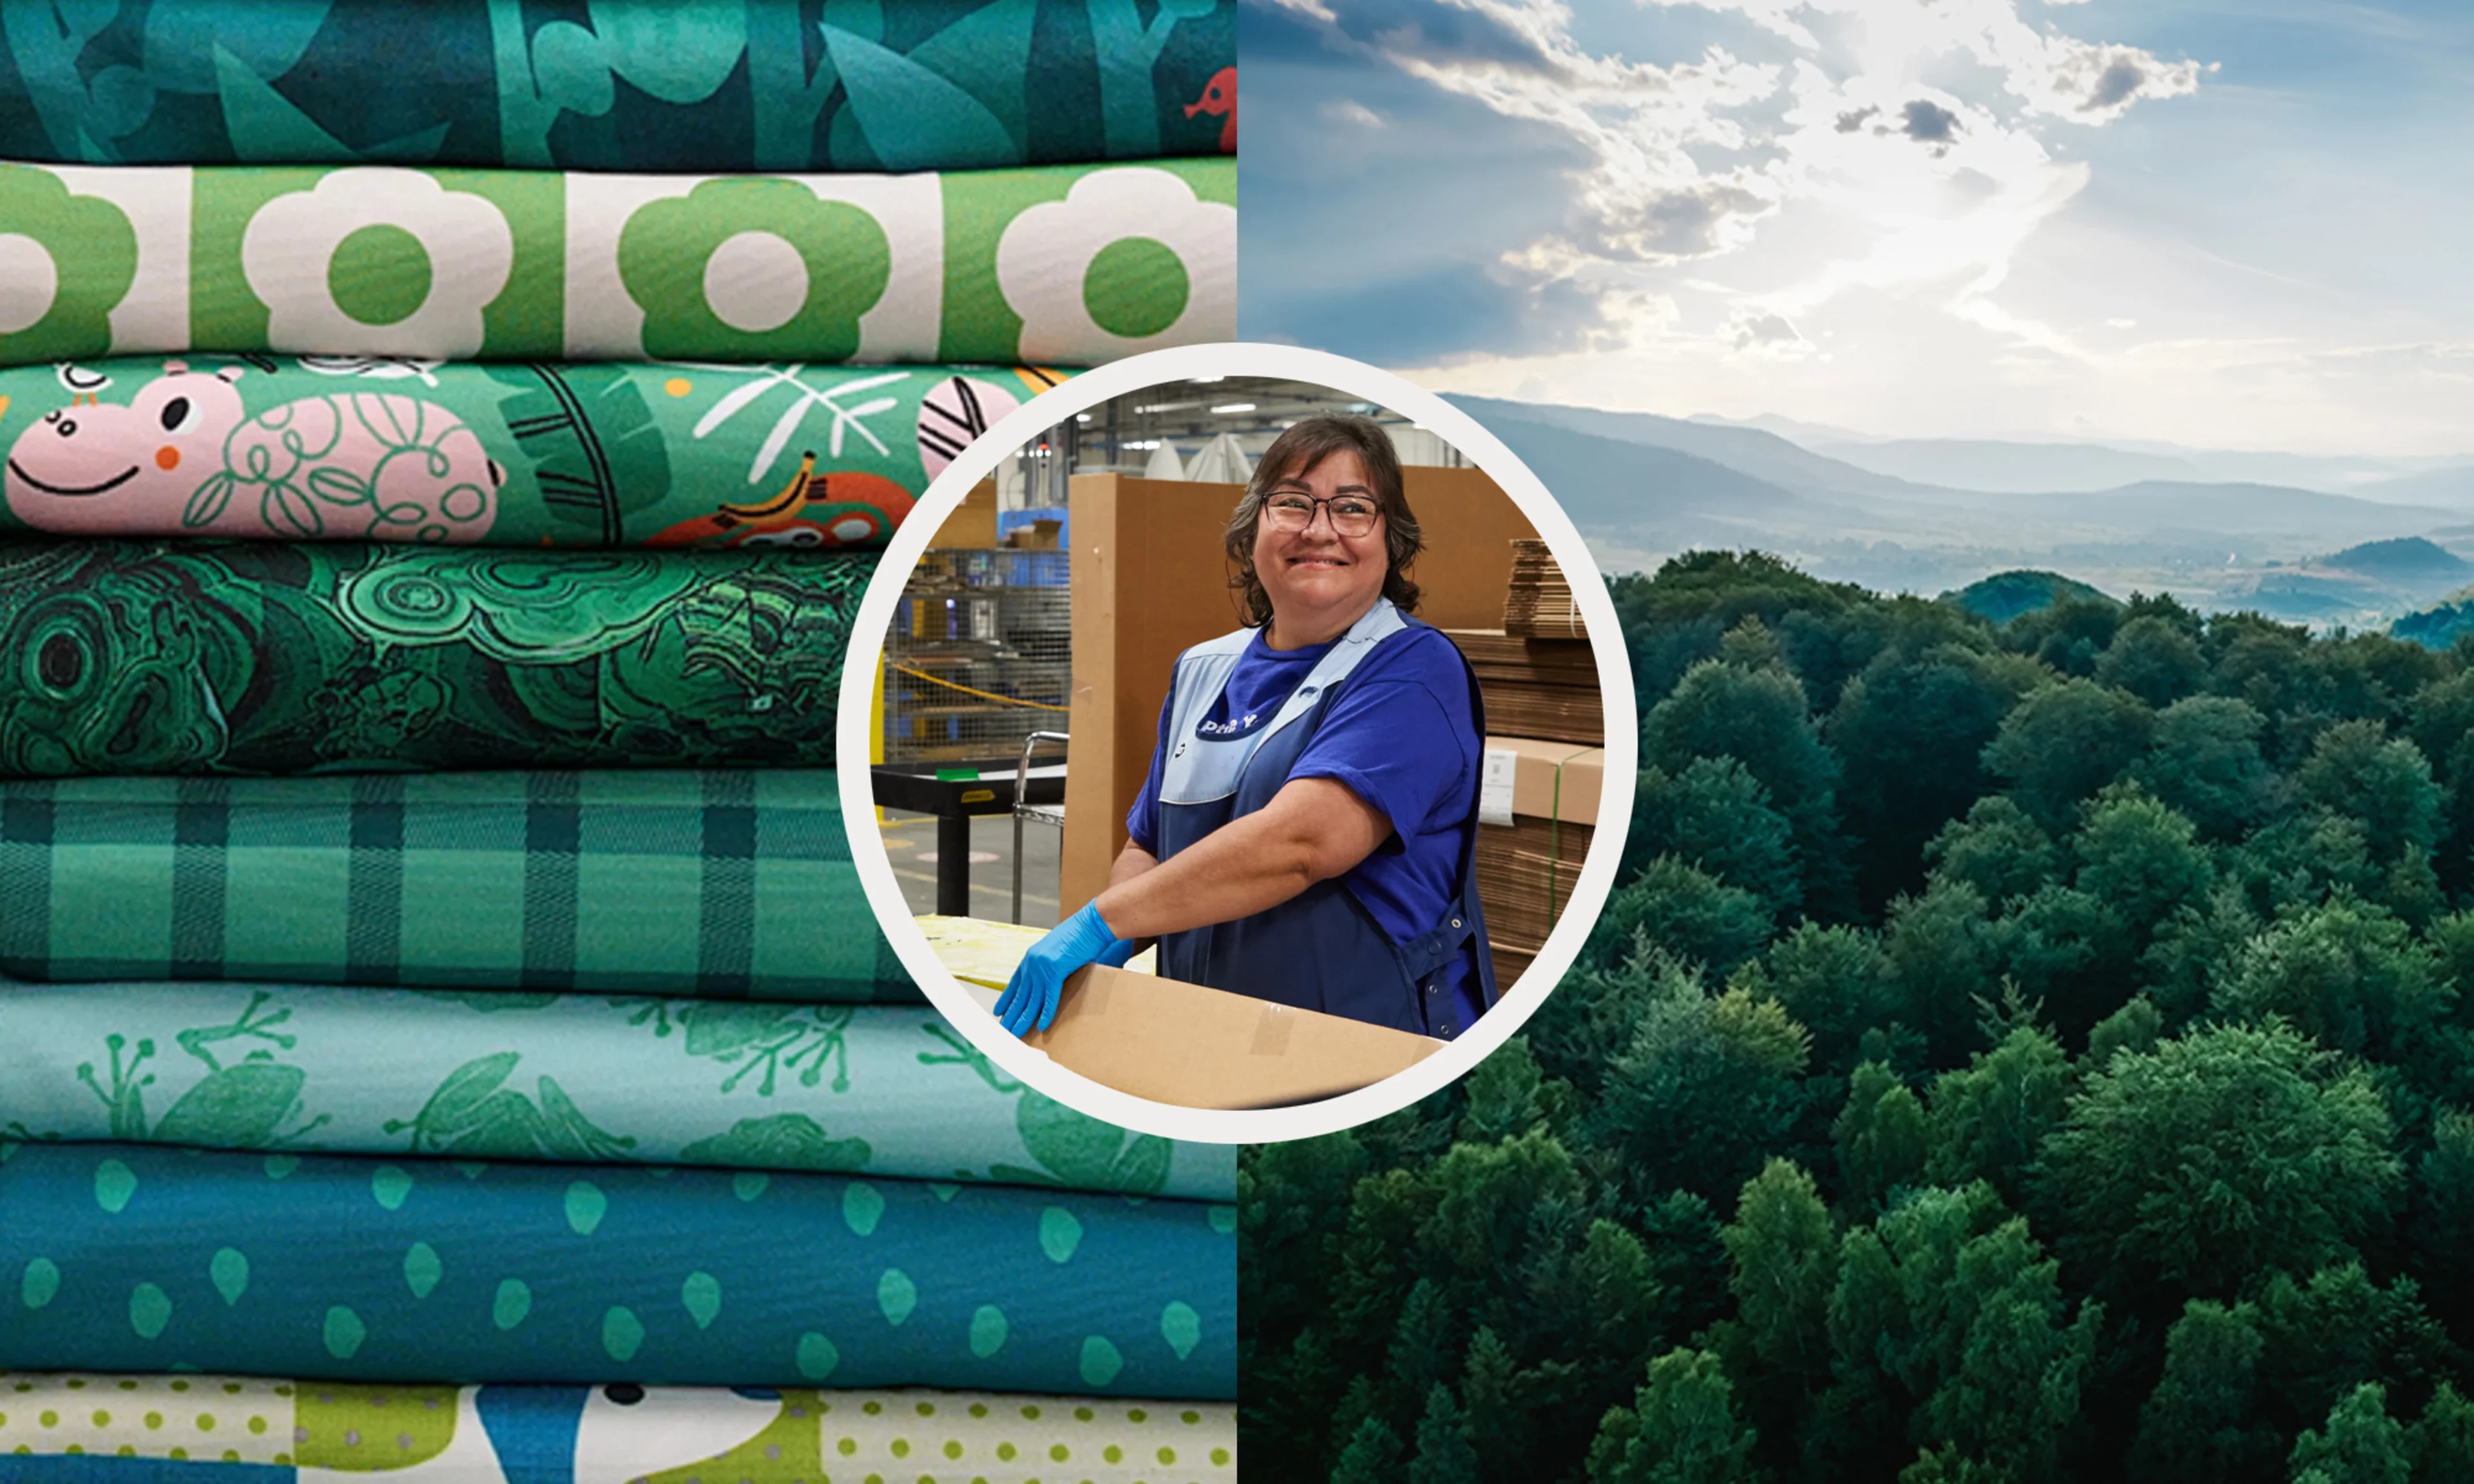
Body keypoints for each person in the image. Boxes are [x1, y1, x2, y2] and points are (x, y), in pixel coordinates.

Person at [995, 412, 1496, 1042]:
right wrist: (1114, 948)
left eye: (1352, 509)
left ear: (1392, 544)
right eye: (1292, 503)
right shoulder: (1203, 670)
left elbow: (1302, 844)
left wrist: (1103, 921)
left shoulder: (1412, 670)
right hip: (1212, 1036)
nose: (1320, 530)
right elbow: (1148, 845)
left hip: (1369, 1043)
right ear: (1251, 531)